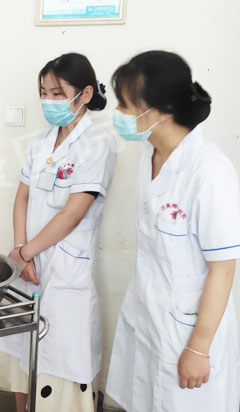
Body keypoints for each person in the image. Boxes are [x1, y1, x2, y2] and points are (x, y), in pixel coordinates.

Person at [106, 51, 240, 412]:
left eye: (125, 104)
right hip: (148, 317)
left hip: (189, 330)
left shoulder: (209, 172)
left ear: (160, 111)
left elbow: (223, 269)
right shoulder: (150, 153)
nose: (117, 112)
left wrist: (199, 347)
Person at [0, 53, 117, 412]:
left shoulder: (98, 144)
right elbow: (22, 196)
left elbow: (73, 213)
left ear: (85, 94)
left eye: (58, 93)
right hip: (27, 264)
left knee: (61, 361)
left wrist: (25, 254)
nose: (48, 101)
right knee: (24, 356)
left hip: (64, 269)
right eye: (44, 93)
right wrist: (20, 248)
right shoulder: (42, 141)